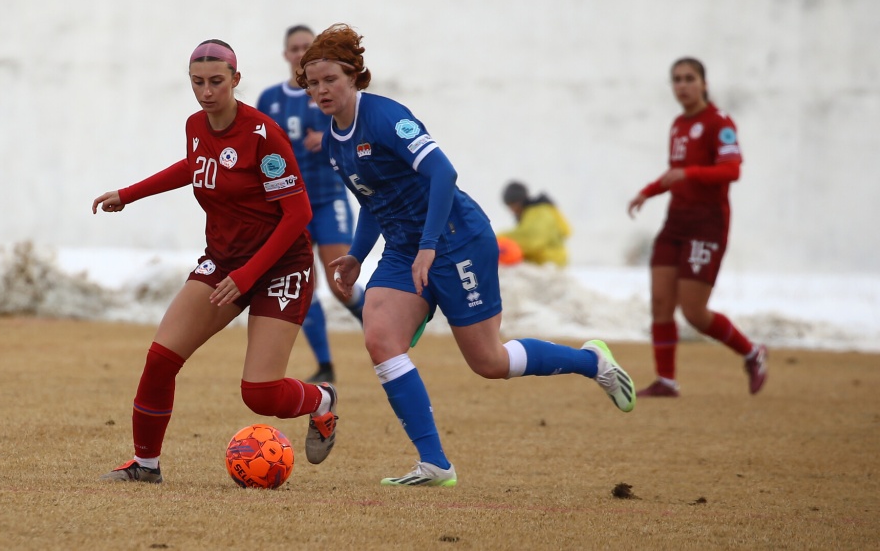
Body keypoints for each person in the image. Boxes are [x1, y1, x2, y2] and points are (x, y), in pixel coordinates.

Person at [296, 24, 636, 487]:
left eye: (330, 79)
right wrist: (357, 255)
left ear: (354, 76)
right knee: (379, 337)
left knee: (489, 363)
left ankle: (591, 362)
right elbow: (373, 202)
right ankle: (435, 463)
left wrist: (431, 247)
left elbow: (443, 173)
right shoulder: (335, 142)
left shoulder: (387, 118)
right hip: (403, 248)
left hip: (456, 240)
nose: (321, 90)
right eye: (313, 83)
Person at [91, 39, 339, 484]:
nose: (207, 92)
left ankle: (321, 401)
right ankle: (146, 466)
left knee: (259, 393)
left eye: (217, 83)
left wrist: (247, 277)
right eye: (198, 83)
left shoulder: (264, 136)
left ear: (236, 81)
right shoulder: (196, 125)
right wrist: (128, 194)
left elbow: (298, 214)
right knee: (161, 358)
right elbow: (194, 165)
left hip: (280, 264)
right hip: (225, 262)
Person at [627, 57, 767, 398]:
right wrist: (648, 191)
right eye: (676, 80)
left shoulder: (720, 123)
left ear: (704, 83)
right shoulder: (677, 124)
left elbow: (732, 170)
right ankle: (666, 382)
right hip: (676, 222)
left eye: (689, 78)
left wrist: (690, 173)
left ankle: (752, 353)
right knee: (660, 303)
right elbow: (675, 172)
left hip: (707, 225)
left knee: (693, 312)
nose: (682, 85)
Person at [257, 25, 366, 384]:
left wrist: (328, 137)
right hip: (290, 206)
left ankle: (384, 329)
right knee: (303, 284)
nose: (299, 53)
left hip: (327, 197)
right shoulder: (270, 99)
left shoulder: (328, 91)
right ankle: (325, 364)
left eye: (306, 46)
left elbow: (354, 128)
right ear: (286, 55)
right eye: (294, 48)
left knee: (340, 282)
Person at [497, 181, 572, 267]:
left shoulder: (540, 212)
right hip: (543, 263)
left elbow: (531, 238)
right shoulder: (531, 214)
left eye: (513, 205)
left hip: (549, 264)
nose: (512, 210)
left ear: (521, 201)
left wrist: (497, 238)